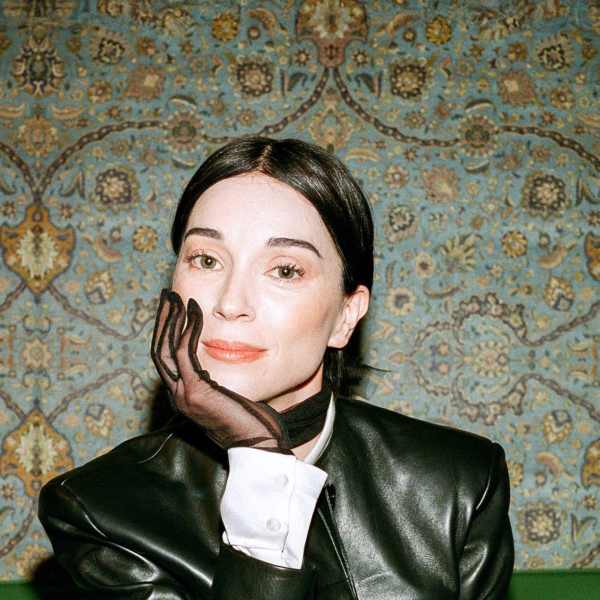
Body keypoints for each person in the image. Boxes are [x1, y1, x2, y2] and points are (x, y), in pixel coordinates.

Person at [39, 136, 514, 599]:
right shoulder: (101, 510)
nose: (231, 302)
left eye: (285, 270)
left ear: (346, 316)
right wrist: (261, 461)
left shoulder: (457, 483)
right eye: (206, 260)